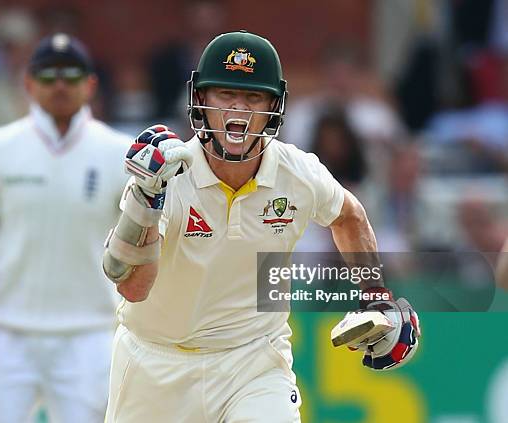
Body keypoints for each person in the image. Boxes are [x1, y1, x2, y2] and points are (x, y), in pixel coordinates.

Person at [102, 30, 421, 422]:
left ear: (274, 105)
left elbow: (348, 215)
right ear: (200, 101)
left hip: (253, 361)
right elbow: (133, 287)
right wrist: (148, 203)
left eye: (253, 98)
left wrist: (376, 295)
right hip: (155, 364)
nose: (239, 111)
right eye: (226, 95)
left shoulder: (297, 172)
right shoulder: (167, 175)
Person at [0, 33, 131, 422]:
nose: (60, 85)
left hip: (91, 333)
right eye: (48, 75)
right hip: (4, 334)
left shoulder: (120, 152)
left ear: (91, 84)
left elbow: (145, 245)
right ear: (28, 83)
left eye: (71, 74)